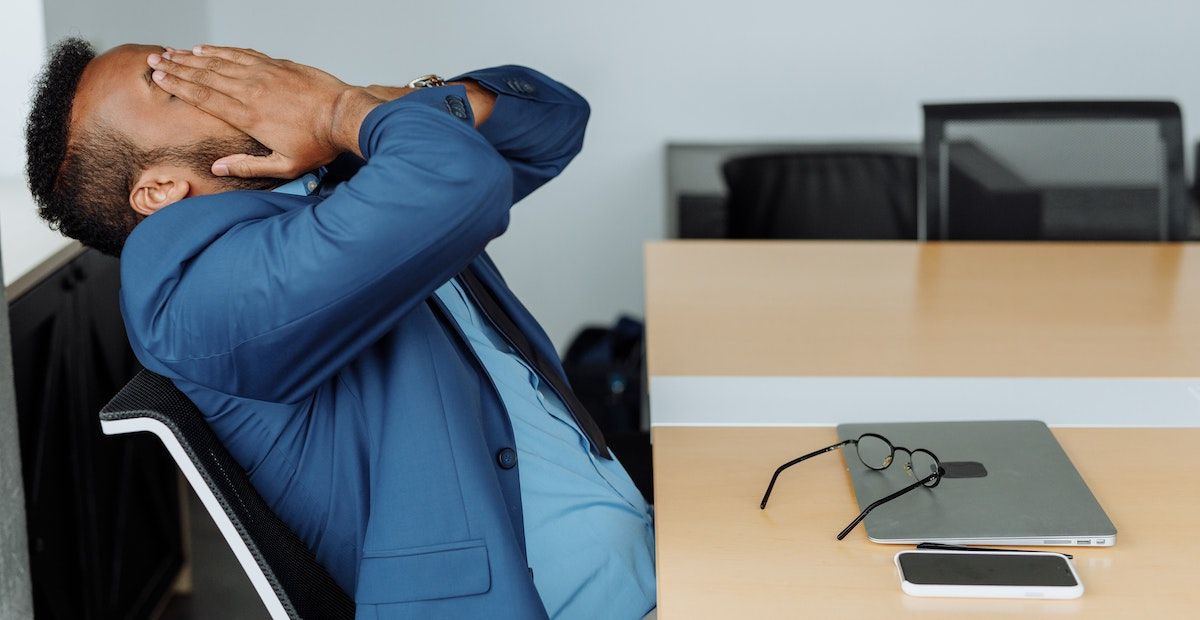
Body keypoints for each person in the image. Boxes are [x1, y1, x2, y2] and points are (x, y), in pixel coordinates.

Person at [24, 38, 656, 619]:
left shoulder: (333, 177)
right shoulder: (186, 290)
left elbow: (552, 121)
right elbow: (461, 178)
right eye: (170, 84)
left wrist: (356, 111)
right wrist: (335, 110)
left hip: (651, 553)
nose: (214, 72)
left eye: (184, 58)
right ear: (159, 190)